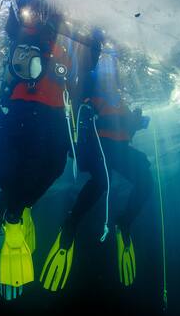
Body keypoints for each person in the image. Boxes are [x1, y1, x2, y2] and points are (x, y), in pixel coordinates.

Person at [0, 0, 100, 300]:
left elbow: (85, 60)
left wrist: (90, 42)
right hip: (35, 111)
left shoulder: (58, 39)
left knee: (33, 167)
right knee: (47, 166)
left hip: (35, 111)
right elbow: (17, 25)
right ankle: (12, 214)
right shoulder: (30, 30)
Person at [40, 45, 153, 291]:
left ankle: (124, 222)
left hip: (119, 148)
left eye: (112, 69)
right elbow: (85, 115)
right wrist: (127, 120)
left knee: (145, 181)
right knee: (102, 181)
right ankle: (70, 225)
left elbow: (123, 128)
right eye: (107, 67)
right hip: (97, 146)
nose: (111, 73)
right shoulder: (89, 85)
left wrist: (136, 123)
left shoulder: (119, 96)